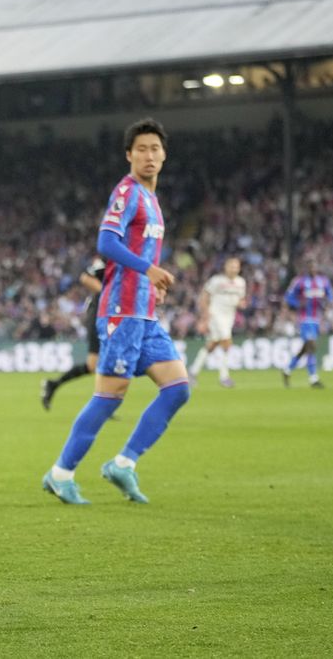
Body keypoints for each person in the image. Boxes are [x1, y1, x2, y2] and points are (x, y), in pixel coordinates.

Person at [42, 118, 190, 505]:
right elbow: (106, 243)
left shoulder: (153, 200)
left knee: (177, 388)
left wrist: (152, 285)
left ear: (164, 154)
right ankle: (60, 473)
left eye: (155, 149)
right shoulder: (127, 192)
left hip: (144, 313)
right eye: (141, 149)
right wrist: (149, 270)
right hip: (121, 311)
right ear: (129, 155)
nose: (149, 155)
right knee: (110, 396)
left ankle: (124, 463)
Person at [41, 257, 106, 410]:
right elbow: (85, 277)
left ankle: (104, 400)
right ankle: (54, 384)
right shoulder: (110, 255)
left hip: (111, 315)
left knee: (102, 362)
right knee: (93, 364)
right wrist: (108, 294)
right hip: (99, 314)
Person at [188, 257, 246, 388]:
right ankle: (224, 377)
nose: (234, 269)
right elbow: (204, 297)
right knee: (227, 341)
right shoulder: (216, 281)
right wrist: (205, 317)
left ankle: (193, 371)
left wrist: (241, 304)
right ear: (225, 267)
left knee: (213, 344)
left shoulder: (241, 282)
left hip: (229, 316)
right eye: (231, 266)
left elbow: (241, 299)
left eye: (236, 266)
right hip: (215, 314)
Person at [281, 257, 333, 389]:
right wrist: (298, 304)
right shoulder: (299, 282)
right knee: (311, 345)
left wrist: (328, 303)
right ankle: (313, 378)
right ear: (306, 269)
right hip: (304, 319)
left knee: (305, 349)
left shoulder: (323, 281)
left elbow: (330, 295)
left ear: (317, 268)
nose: (312, 269)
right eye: (310, 267)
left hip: (317, 319)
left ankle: (287, 370)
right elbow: (288, 297)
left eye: (314, 266)